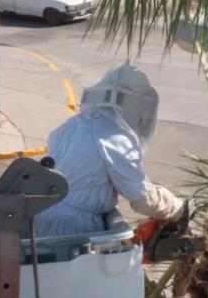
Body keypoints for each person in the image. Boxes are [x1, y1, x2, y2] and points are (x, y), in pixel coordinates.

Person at [35, 63, 183, 238]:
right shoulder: (115, 138)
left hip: (41, 216)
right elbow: (141, 197)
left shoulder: (72, 125)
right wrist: (175, 207)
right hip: (73, 228)